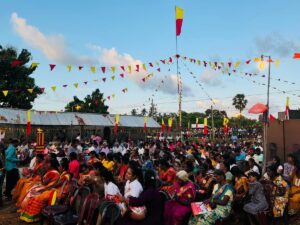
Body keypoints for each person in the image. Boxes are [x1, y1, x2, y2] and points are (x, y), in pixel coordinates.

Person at [19, 158, 70, 222]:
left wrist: (46, 189)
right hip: (55, 190)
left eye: (60, 166)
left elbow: (56, 185)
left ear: (63, 168)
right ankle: (34, 215)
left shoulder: (66, 175)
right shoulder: (62, 174)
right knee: (36, 195)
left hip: (59, 193)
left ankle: (35, 216)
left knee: (39, 197)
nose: (58, 167)